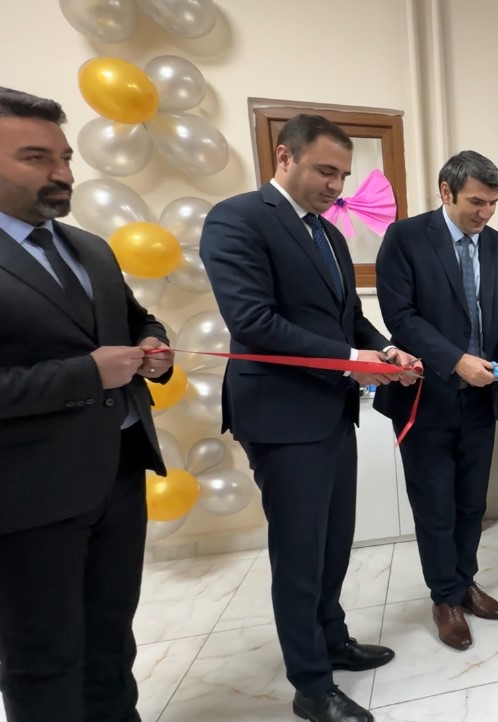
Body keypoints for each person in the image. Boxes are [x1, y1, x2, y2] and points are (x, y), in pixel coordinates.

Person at [202, 114, 412, 722]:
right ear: (284, 155)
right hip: (280, 414)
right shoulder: (237, 219)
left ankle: (332, 639)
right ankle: (310, 684)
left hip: (329, 410)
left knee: (332, 542)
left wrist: (388, 348)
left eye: (343, 174)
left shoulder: (330, 235)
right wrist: (352, 359)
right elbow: (253, 321)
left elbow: (347, 319)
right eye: (325, 170)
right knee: (298, 553)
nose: (335, 185)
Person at [0, 88, 173, 722]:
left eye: (66, 157)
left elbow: (138, 318)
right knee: (44, 656)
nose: (64, 174)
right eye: (36, 158)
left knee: (111, 639)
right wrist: (85, 373)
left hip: (118, 477)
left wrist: (156, 344)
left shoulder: (90, 249)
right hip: (29, 499)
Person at [374, 151, 498, 652]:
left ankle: (465, 581)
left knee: (471, 501)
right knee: (435, 505)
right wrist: (454, 360)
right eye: (476, 201)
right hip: (425, 397)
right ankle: (444, 597)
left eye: (493, 203)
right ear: (446, 192)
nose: (485, 213)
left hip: (480, 397)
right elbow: (402, 317)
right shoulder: (406, 238)